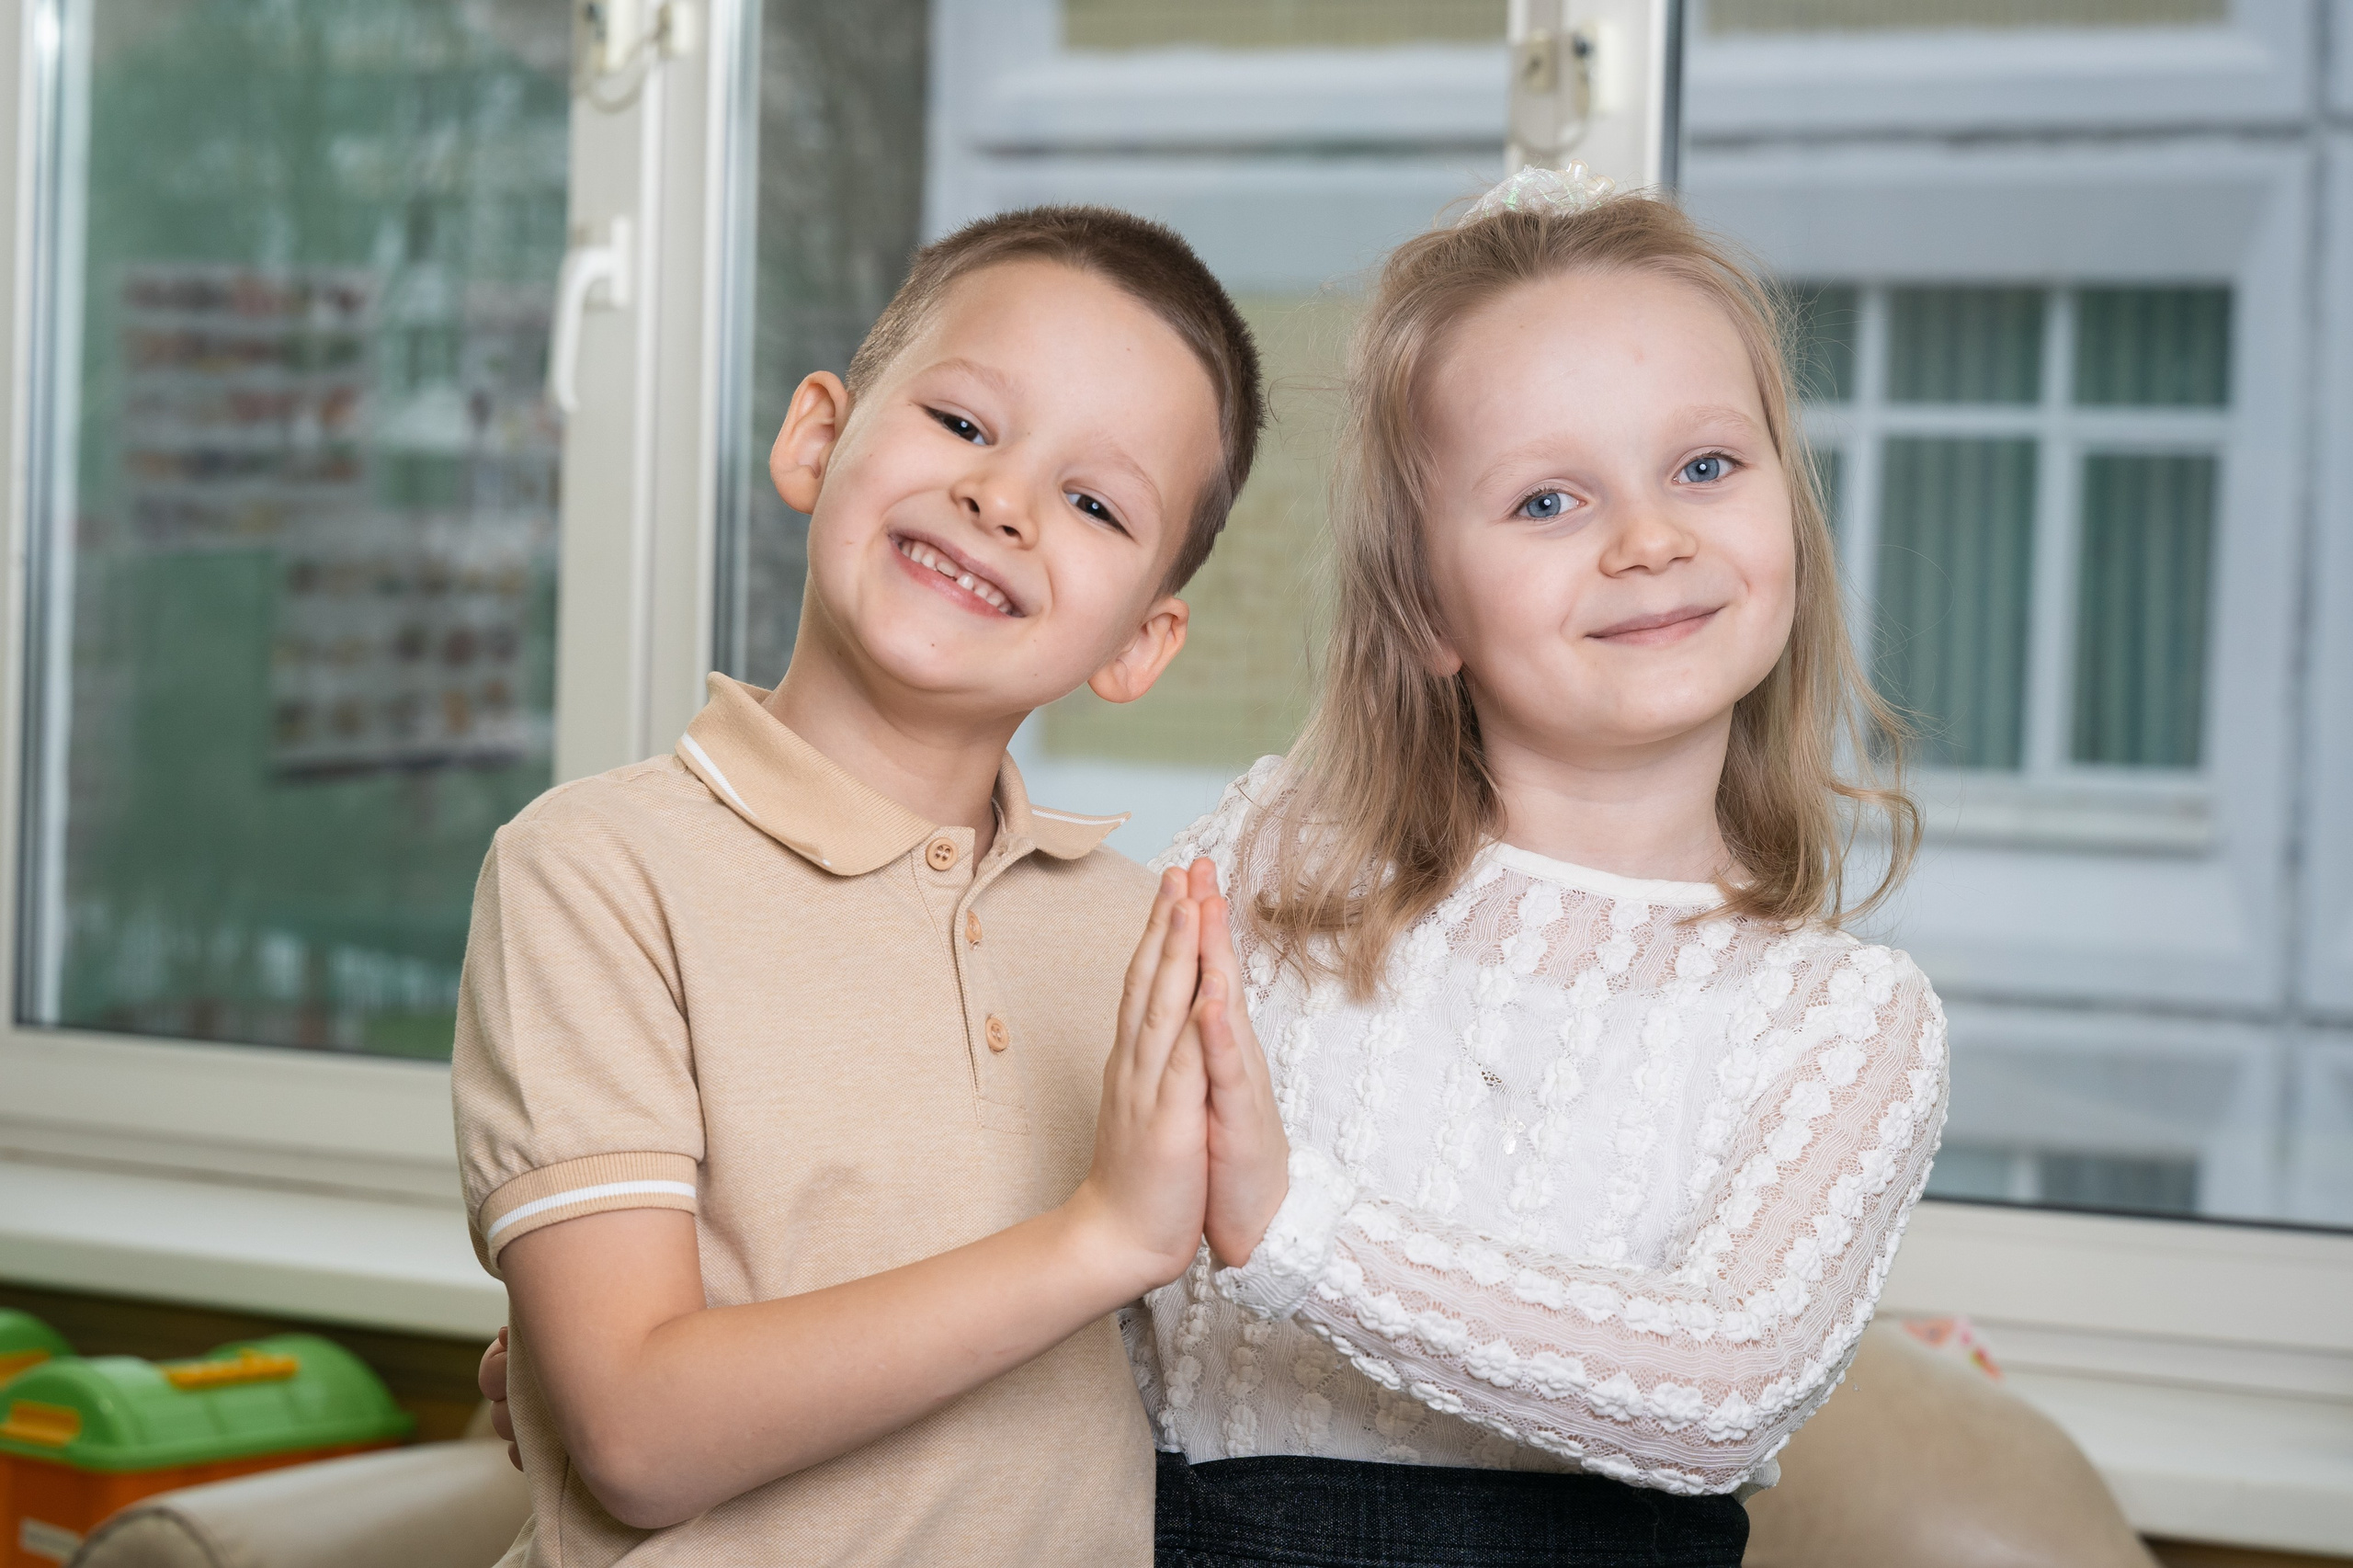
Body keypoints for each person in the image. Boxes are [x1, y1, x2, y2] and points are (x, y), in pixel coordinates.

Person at [1140, 166, 1949, 1568]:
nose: (1650, 538)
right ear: (1425, 608)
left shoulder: (1845, 1018)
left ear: (1790, 527)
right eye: (1548, 500)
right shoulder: (1269, 860)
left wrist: (1296, 1227)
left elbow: (1727, 1390)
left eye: (1705, 466)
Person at [452, 204, 1265, 1568]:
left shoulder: (1141, 933)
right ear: (816, 437)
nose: (1001, 499)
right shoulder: (596, 870)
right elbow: (639, 1437)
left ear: (1141, 641)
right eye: (961, 423)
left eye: (1093, 500)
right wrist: (1096, 1240)